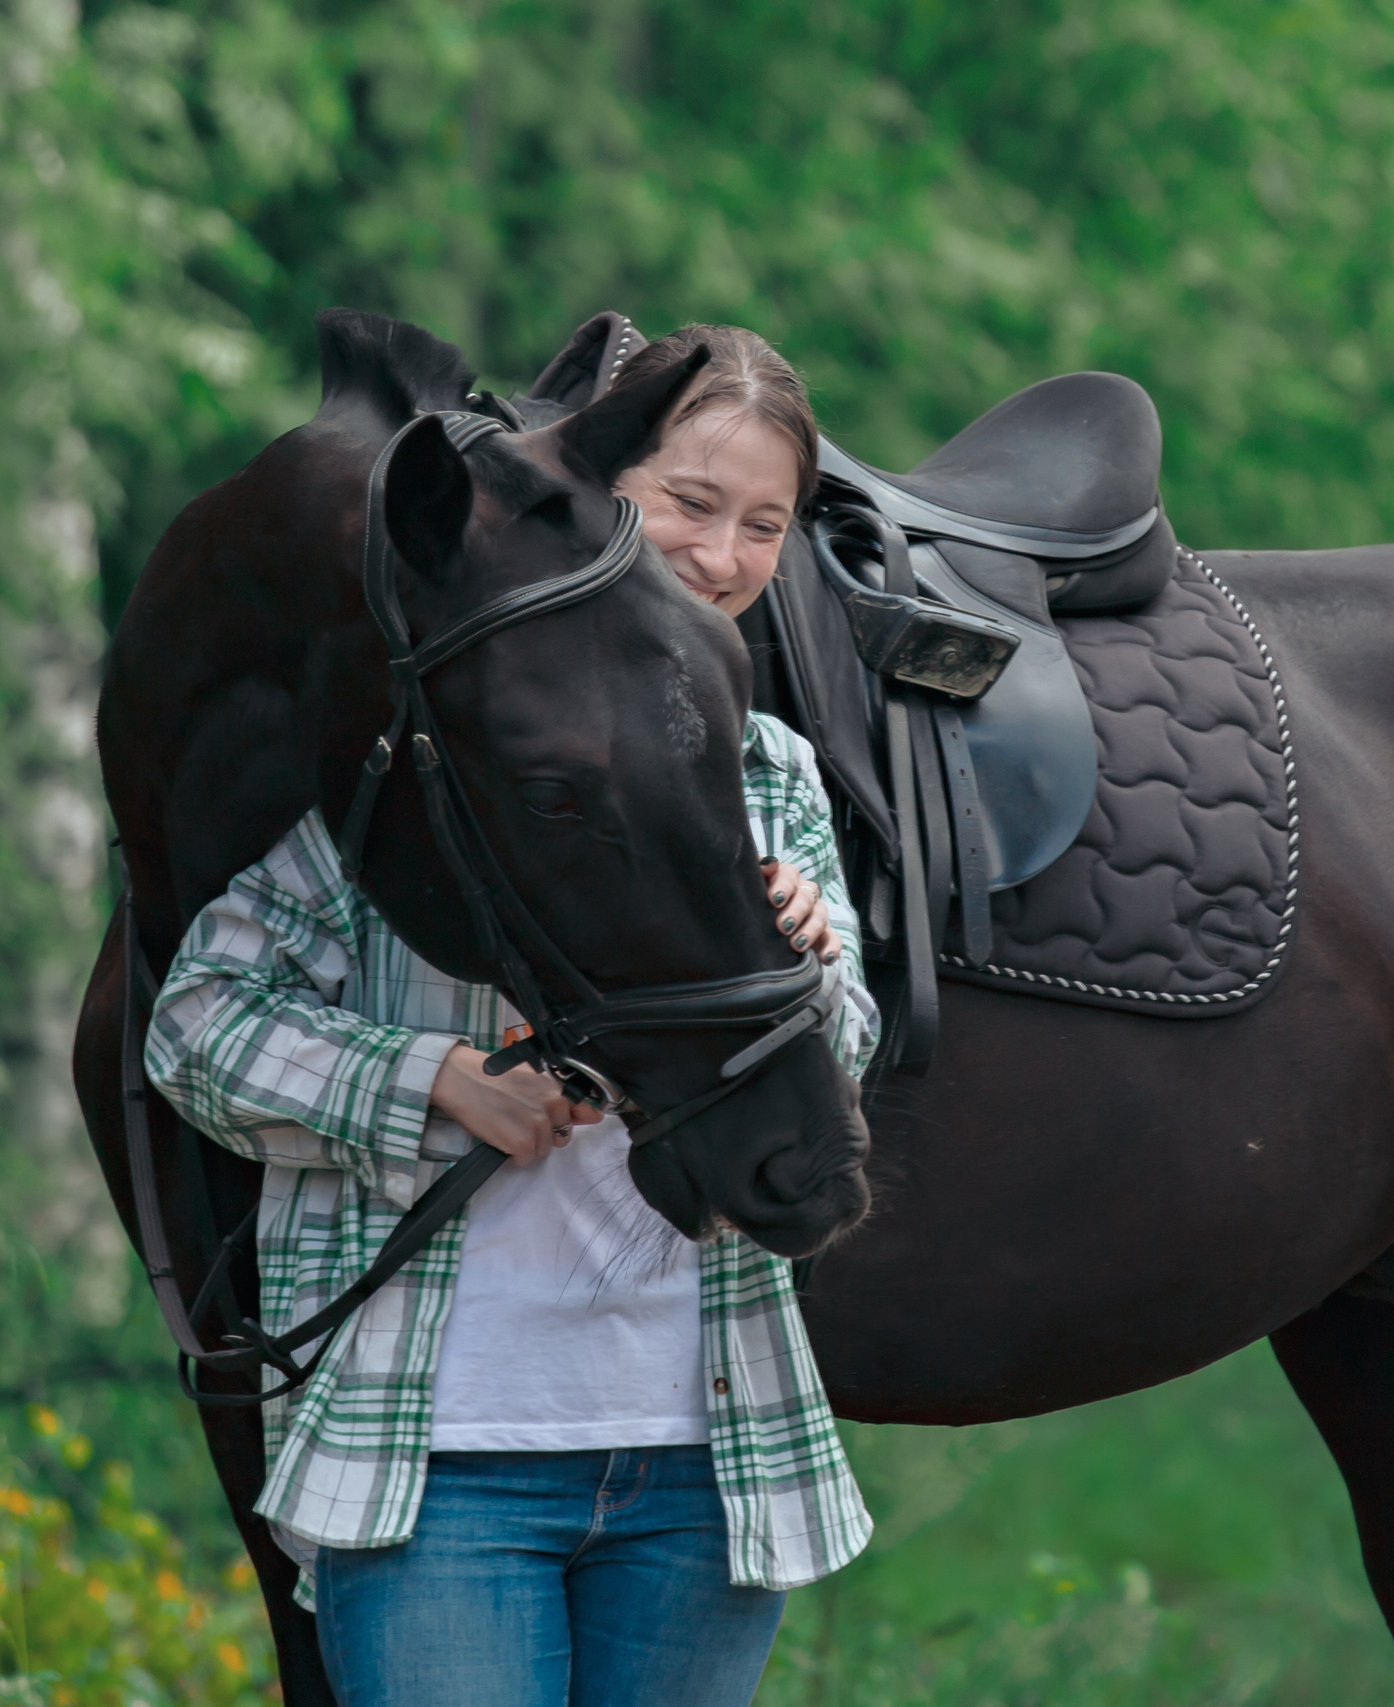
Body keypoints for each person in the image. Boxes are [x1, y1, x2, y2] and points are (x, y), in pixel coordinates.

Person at [145, 325, 872, 1707]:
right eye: (690, 506)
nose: (721, 556)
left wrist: (810, 962)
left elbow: (848, 1054)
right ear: (591, 501)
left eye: (764, 524)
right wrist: (429, 1081)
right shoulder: (417, 752)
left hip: (703, 1458)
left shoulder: (770, 773)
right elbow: (197, 1025)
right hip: (439, 1459)